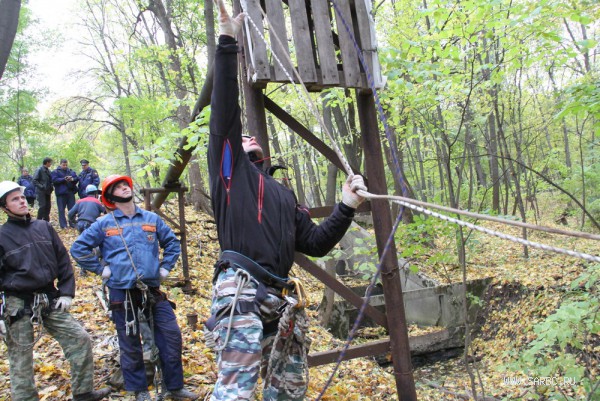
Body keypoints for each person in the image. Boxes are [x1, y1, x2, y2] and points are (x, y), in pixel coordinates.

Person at [203, 2, 367, 400]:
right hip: (240, 288)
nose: (246, 139)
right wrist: (228, 43)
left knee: (289, 390)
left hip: (278, 297)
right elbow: (225, 114)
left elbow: (313, 243)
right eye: (239, 139)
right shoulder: (230, 173)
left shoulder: (281, 192)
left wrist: (345, 206)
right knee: (236, 391)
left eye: (249, 139)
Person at [70, 175, 198, 401]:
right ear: (110, 196)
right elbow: (78, 249)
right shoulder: (104, 224)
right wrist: (101, 269)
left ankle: (174, 386)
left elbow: (171, 243)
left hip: (151, 290)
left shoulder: (151, 219)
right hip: (122, 292)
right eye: (118, 187)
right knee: (129, 341)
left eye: (125, 185)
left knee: (171, 336)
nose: (124, 188)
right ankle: (139, 390)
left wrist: (165, 268)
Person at [0, 181, 111, 401]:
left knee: (80, 339)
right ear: (4, 207)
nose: (21, 201)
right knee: (20, 356)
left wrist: (66, 292)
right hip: (17, 303)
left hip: (49, 298)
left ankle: (84, 392)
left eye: (22, 197)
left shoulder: (43, 227)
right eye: (14, 199)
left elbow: (63, 261)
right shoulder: (2, 236)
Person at [51, 159, 79, 229]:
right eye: (63, 165)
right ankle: (63, 225)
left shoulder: (70, 171)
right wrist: (64, 179)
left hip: (70, 193)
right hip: (61, 194)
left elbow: (76, 178)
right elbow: (54, 180)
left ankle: (72, 223)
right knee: (61, 209)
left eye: (66, 165)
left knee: (72, 209)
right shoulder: (55, 172)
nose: (65, 166)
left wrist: (72, 179)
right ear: (60, 164)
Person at [32, 157, 54, 221]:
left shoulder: (48, 171)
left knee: (48, 206)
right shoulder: (39, 170)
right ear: (47, 162)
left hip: (48, 191)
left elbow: (50, 180)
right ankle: (38, 221)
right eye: (50, 163)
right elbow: (34, 180)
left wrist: (51, 186)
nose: (51, 164)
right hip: (41, 192)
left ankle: (46, 221)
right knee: (42, 206)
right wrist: (41, 186)